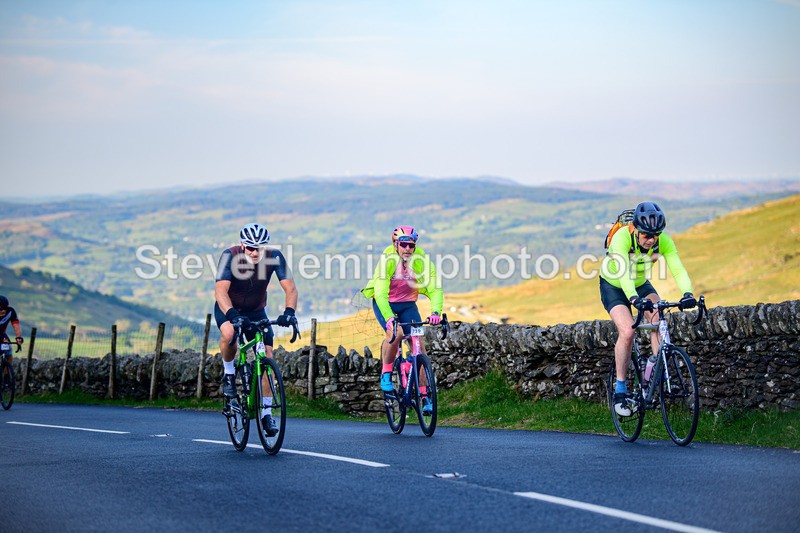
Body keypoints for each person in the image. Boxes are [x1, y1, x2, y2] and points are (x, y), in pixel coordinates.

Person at [600, 202, 697, 417]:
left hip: (641, 284)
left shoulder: (663, 241)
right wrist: (633, 299)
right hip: (614, 285)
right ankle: (621, 389)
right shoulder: (622, 238)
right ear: (634, 229)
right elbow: (624, 274)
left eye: (655, 235)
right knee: (627, 331)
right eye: (646, 235)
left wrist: (688, 294)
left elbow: (678, 268)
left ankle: (654, 370)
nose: (651, 240)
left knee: (659, 319)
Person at [214, 223, 298, 435]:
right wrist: (232, 314)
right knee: (230, 333)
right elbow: (220, 290)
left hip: (256, 311)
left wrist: (289, 311)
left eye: (258, 248)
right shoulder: (229, 256)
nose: (254, 252)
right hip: (228, 308)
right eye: (250, 247)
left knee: (267, 356)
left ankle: (267, 414)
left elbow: (290, 287)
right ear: (242, 245)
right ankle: (229, 373)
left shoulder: (274, 257)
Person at [362, 226, 443, 413]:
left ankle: (425, 397)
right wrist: (389, 318)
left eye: (411, 245)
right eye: (404, 244)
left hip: (407, 304)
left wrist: (436, 312)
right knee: (396, 334)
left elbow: (434, 287)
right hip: (386, 303)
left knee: (419, 348)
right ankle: (386, 373)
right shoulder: (387, 260)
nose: (408, 249)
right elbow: (381, 293)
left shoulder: (421, 259)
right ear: (395, 245)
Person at [0, 295, 24, 365]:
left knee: (9, 350)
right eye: (1, 309)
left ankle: (7, 373)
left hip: (2, 335)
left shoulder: (10, 311)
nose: (3, 311)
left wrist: (18, 337)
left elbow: (16, 326)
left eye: (5, 308)